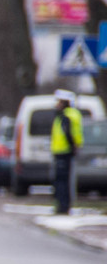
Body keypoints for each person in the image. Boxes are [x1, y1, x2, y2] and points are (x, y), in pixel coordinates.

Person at [48, 88, 82, 217]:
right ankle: (63, 205)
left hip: (64, 152)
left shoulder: (65, 116)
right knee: (63, 180)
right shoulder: (67, 115)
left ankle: (63, 206)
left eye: (59, 102)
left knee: (62, 181)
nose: (56, 105)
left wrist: (72, 147)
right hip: (62, 152)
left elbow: (68, 134)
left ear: (64, 103)